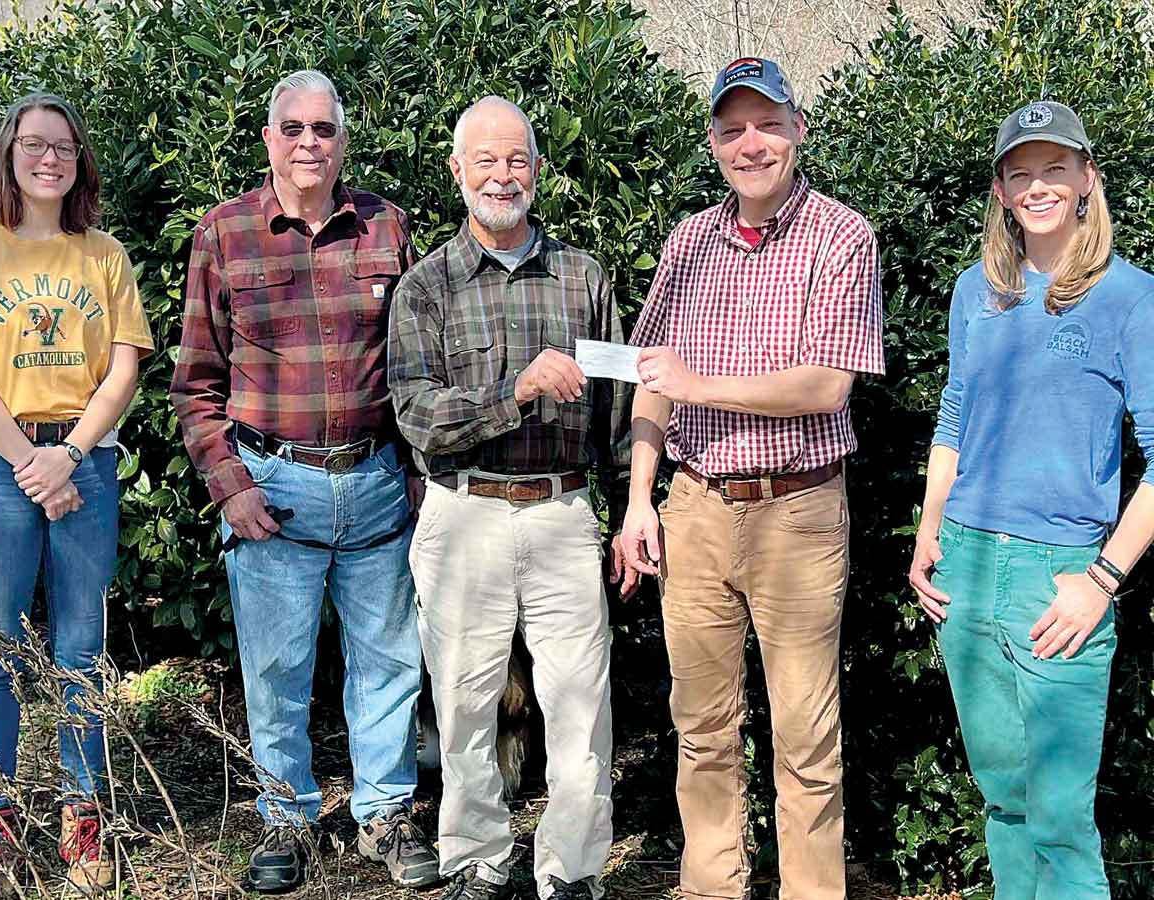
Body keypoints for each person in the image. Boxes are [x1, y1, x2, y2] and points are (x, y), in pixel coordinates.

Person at [620, 58, 884, 900]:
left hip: (797, 512)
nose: (751, 144)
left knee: (806, 740)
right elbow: (649, 377)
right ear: (712, 143)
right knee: (700, 731)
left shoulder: (843, 236)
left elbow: (825, 384)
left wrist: (699, 383)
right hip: (694, 506)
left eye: (766, 123)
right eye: (732, 129)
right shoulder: (687, 242)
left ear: (797, 128)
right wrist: (639, 503)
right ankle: (712, 889)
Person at [168, 70, 438, 893]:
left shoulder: (388, 227)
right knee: (276, 669)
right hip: (272, 490)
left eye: (324, 128)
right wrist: (229, 483)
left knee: (389, 663)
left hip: (378, 484)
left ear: (343, 139)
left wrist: (425, 477)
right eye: (293, 129)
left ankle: (385, 813)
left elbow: (423, 364)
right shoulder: (224, 235)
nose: (309, 143)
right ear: (268, 140)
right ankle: (286, 814)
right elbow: (193, 382)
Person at [908, 101, 1154, 900]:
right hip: (967, 569)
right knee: (1006, 802)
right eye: (1022, 172)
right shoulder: (976, 293)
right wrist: (928, 531)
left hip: (1061, 579)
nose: (1039, 185)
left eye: (1057, 169)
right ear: (1002, 190)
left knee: (1058, 819)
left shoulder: (1131, 299)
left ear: (1087, 180)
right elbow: (954, 416)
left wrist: (1102, 579)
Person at [388, 95, 632, 900]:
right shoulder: (426, 287)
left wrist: (634, 510)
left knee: (578, 706)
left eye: (517, 159)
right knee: (461, 701)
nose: (503, 175)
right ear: (457, 171)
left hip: (564, 514)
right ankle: (477, 860)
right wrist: (516, 391)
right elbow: (417, 414)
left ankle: (571, 870)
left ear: (538, 169)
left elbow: (618, 418)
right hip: (465, 513)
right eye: (486, 160)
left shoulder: (584, 277)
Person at [0, 92, 154, 897]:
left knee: (81, 649)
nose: (50, 159)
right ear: (8, 153)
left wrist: (66, 456)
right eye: (35, 145)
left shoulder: (102, 254)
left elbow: (124, 368)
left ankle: (83, 817)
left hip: (86, 463)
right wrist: (29, 464)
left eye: (65, 148)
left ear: (81, 163)